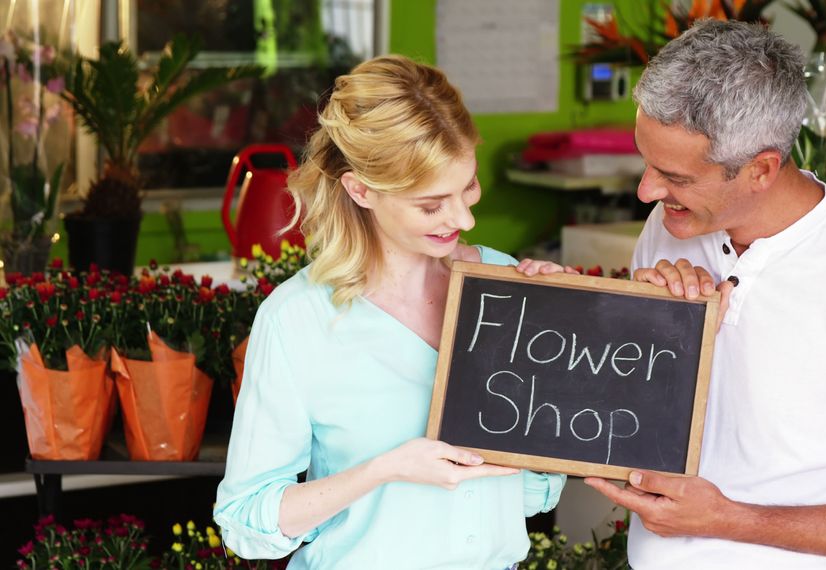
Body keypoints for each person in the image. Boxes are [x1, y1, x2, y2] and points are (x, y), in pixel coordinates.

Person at [583, 20, 826, 569]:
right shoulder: (669, 226)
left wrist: (727, 519)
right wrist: (638, 328)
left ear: (761, 169)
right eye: (646, 163)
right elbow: (637, 420)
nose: (647, 190)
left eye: (675, 176)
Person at [214, 55, 566, 569]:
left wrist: (560, 343)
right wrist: (384, 470)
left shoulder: (504, 282)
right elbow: (245, 522)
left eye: (467, 187)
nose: (463, 217)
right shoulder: (298, 319)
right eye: (431, 204)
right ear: (361, 190)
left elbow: (534, 496)